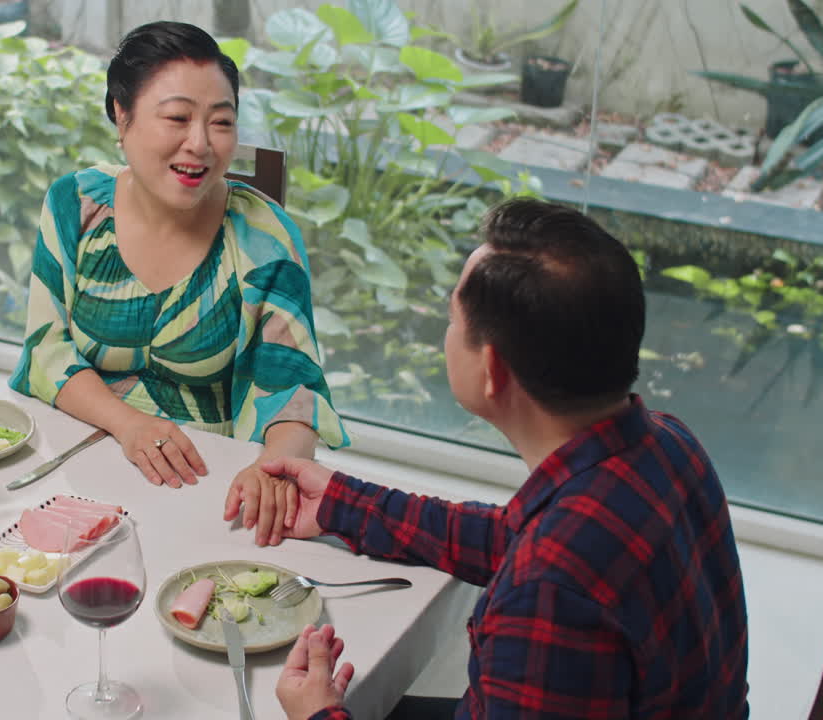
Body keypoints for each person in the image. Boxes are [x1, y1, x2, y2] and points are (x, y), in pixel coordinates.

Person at [255, 198, 751, 718]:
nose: (447, 336)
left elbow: (547, 566)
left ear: (492, 367)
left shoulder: (549, 593)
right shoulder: (671, 445)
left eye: (452, 320)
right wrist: (343, 503)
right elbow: (519, 536)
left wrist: (318, 715)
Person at [9, 21, 348, 541]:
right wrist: (129, 424)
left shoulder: (264, 237)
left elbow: (290, 393)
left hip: (206, 491)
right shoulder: (74, 205)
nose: (200, 144)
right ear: (121, 117)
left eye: (220, 122)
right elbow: (46, 350)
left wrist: (271, 470)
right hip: (76, 470)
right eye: (176, 118)